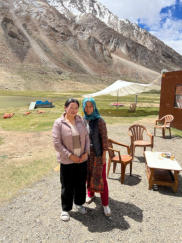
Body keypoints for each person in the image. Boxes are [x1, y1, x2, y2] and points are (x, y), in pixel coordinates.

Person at [52, 98, 90, 221]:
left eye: (76, 108)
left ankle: (79, 204)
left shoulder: (81, 120)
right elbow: (57, 143)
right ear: (65, 107)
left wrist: (86, 153)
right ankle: (65, 209)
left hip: (82, 159)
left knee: (80, 183)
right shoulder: (59, 123)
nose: (73, 110)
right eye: (71, 107)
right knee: (67, 185)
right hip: (67, 160)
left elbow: (87, 138)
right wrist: (70, 155)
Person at [82, 97, 111, 216]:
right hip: (86, 154)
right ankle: (91, 195)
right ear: (83, 107)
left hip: (98, 153)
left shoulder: (100, 121)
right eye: (86, 106)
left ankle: (105, 204)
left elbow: (104, 139)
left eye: (90, 106)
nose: (88, 108)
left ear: (94, 107)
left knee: (101, 178)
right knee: (88, 175)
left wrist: (104, 154)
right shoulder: (83, 120)